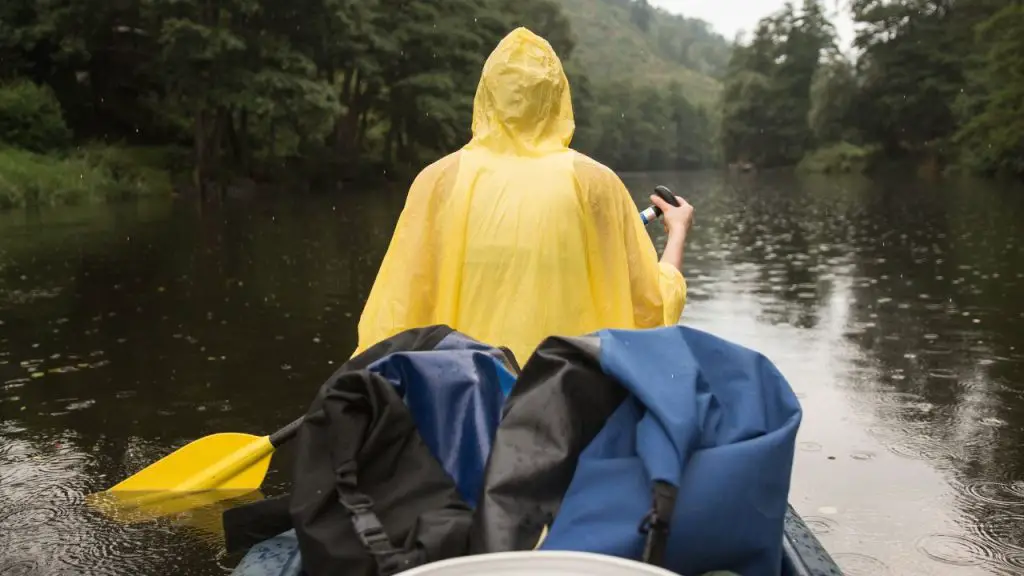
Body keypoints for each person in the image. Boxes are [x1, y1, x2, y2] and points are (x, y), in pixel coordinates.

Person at [353, 27, 694, 364]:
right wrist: (677, 232)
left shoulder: (437, 180)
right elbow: (650, 313)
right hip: (562, 406)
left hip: (459, 403)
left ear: (485, 94)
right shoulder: (595, 183)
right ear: (558, 96)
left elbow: (392, 317)